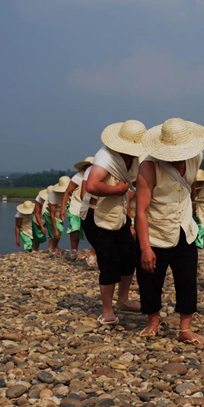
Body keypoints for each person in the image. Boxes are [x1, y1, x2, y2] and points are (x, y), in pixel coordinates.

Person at [136, 118, 204, 345]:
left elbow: (189, 189)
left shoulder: (195, 157)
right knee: (151, 280)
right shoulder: (148, 167)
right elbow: (141, 211)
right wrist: (145, 248)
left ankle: (185, 327)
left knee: (187, 279)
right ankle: (153, 322)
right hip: (157, 231)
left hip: (185, 230)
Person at [80, 120, 145, 325]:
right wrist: (117, 190)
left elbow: (135, 183)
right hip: (95, 215)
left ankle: (123, 300)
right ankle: (107, 310)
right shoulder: (105, 158)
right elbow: (92, 185)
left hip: (118, 214)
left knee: (129, 255)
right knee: (108, 260)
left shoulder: (133, 159)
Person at [60, 157, 93, 259]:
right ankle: (74, 251)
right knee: (75, 228)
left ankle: (93, 252)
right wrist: (62, 208)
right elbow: (67, 192)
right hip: (76, 206)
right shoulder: (78, 177)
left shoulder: (96, 176)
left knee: (92, 229)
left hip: (89, 206)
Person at [45, 176, 70, 253]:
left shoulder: (70, 192)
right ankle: (53, 247)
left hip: (60, 213)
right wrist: (55, 228)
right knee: (57, 231)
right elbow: (51, 213)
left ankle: (54, 247)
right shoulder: (53, 195)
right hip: (49, 213)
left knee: (59, 232)